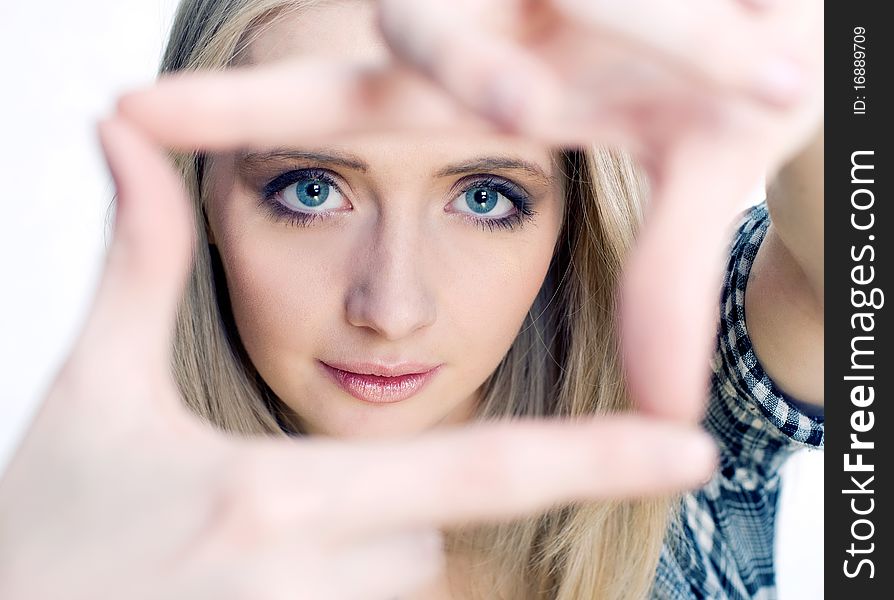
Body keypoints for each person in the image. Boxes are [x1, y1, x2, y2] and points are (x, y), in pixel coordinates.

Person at [0, 0, 823, 599]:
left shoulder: (674, 406)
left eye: (485, 197)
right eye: (312, 190)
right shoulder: (102, 557)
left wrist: (818, 83)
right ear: (198, 198)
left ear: (570, 210)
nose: (391, 309)